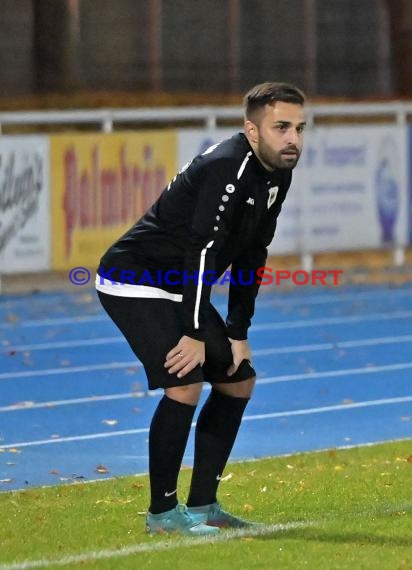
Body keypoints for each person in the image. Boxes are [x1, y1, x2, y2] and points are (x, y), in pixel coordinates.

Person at [96, 82, 306, 536]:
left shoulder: (277, 173)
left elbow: (254, 250)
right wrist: (193, 333)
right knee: (184, 384)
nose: (293, 139)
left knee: (238, 381)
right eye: (282, 127)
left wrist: (237, 330)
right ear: (252, 129)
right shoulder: (226, 167)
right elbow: (203, 251)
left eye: (299, 128)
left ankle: (206, 505)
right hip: (133, 279)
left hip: (179, 287)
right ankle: (163, 516)